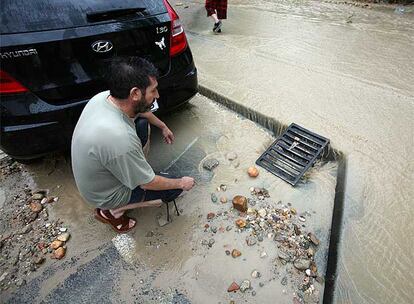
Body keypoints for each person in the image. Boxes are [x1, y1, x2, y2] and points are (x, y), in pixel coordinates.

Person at [71, 56, 195, 233]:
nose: (157, 95)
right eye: (153, 91)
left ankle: (135, 173)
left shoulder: (104, 98)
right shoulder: (120, 139)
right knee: (172, 191)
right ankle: (113, 212)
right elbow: (148, 183)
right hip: (105, 195)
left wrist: (163, 126)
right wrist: (181, 183)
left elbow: (142, 112)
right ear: (135, 94)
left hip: (98, 176)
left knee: (143, 124)